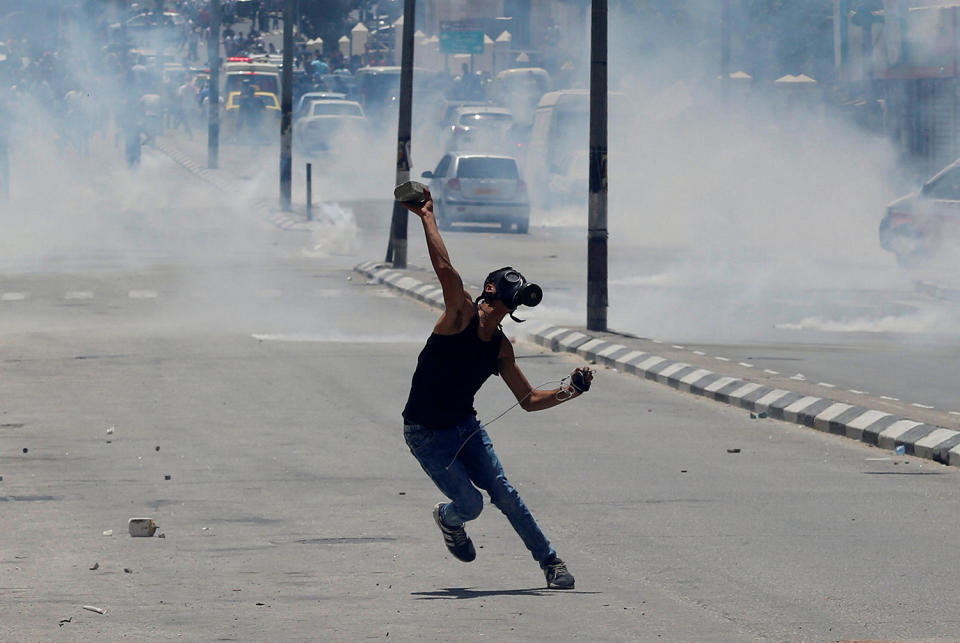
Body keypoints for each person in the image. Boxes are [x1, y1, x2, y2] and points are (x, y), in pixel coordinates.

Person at [398, 186, 594, 590]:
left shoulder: (501, 347)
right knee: (470, 505)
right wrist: (428, 217)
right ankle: (449, 519)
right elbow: (445, 271)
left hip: (464, 427)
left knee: (503, 492)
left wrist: (571, 390)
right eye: (511, 288)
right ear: (492, 291)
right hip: (425, 433)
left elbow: (528, 401)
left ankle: (551, 562)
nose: (514, 298)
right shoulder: (459, 316)